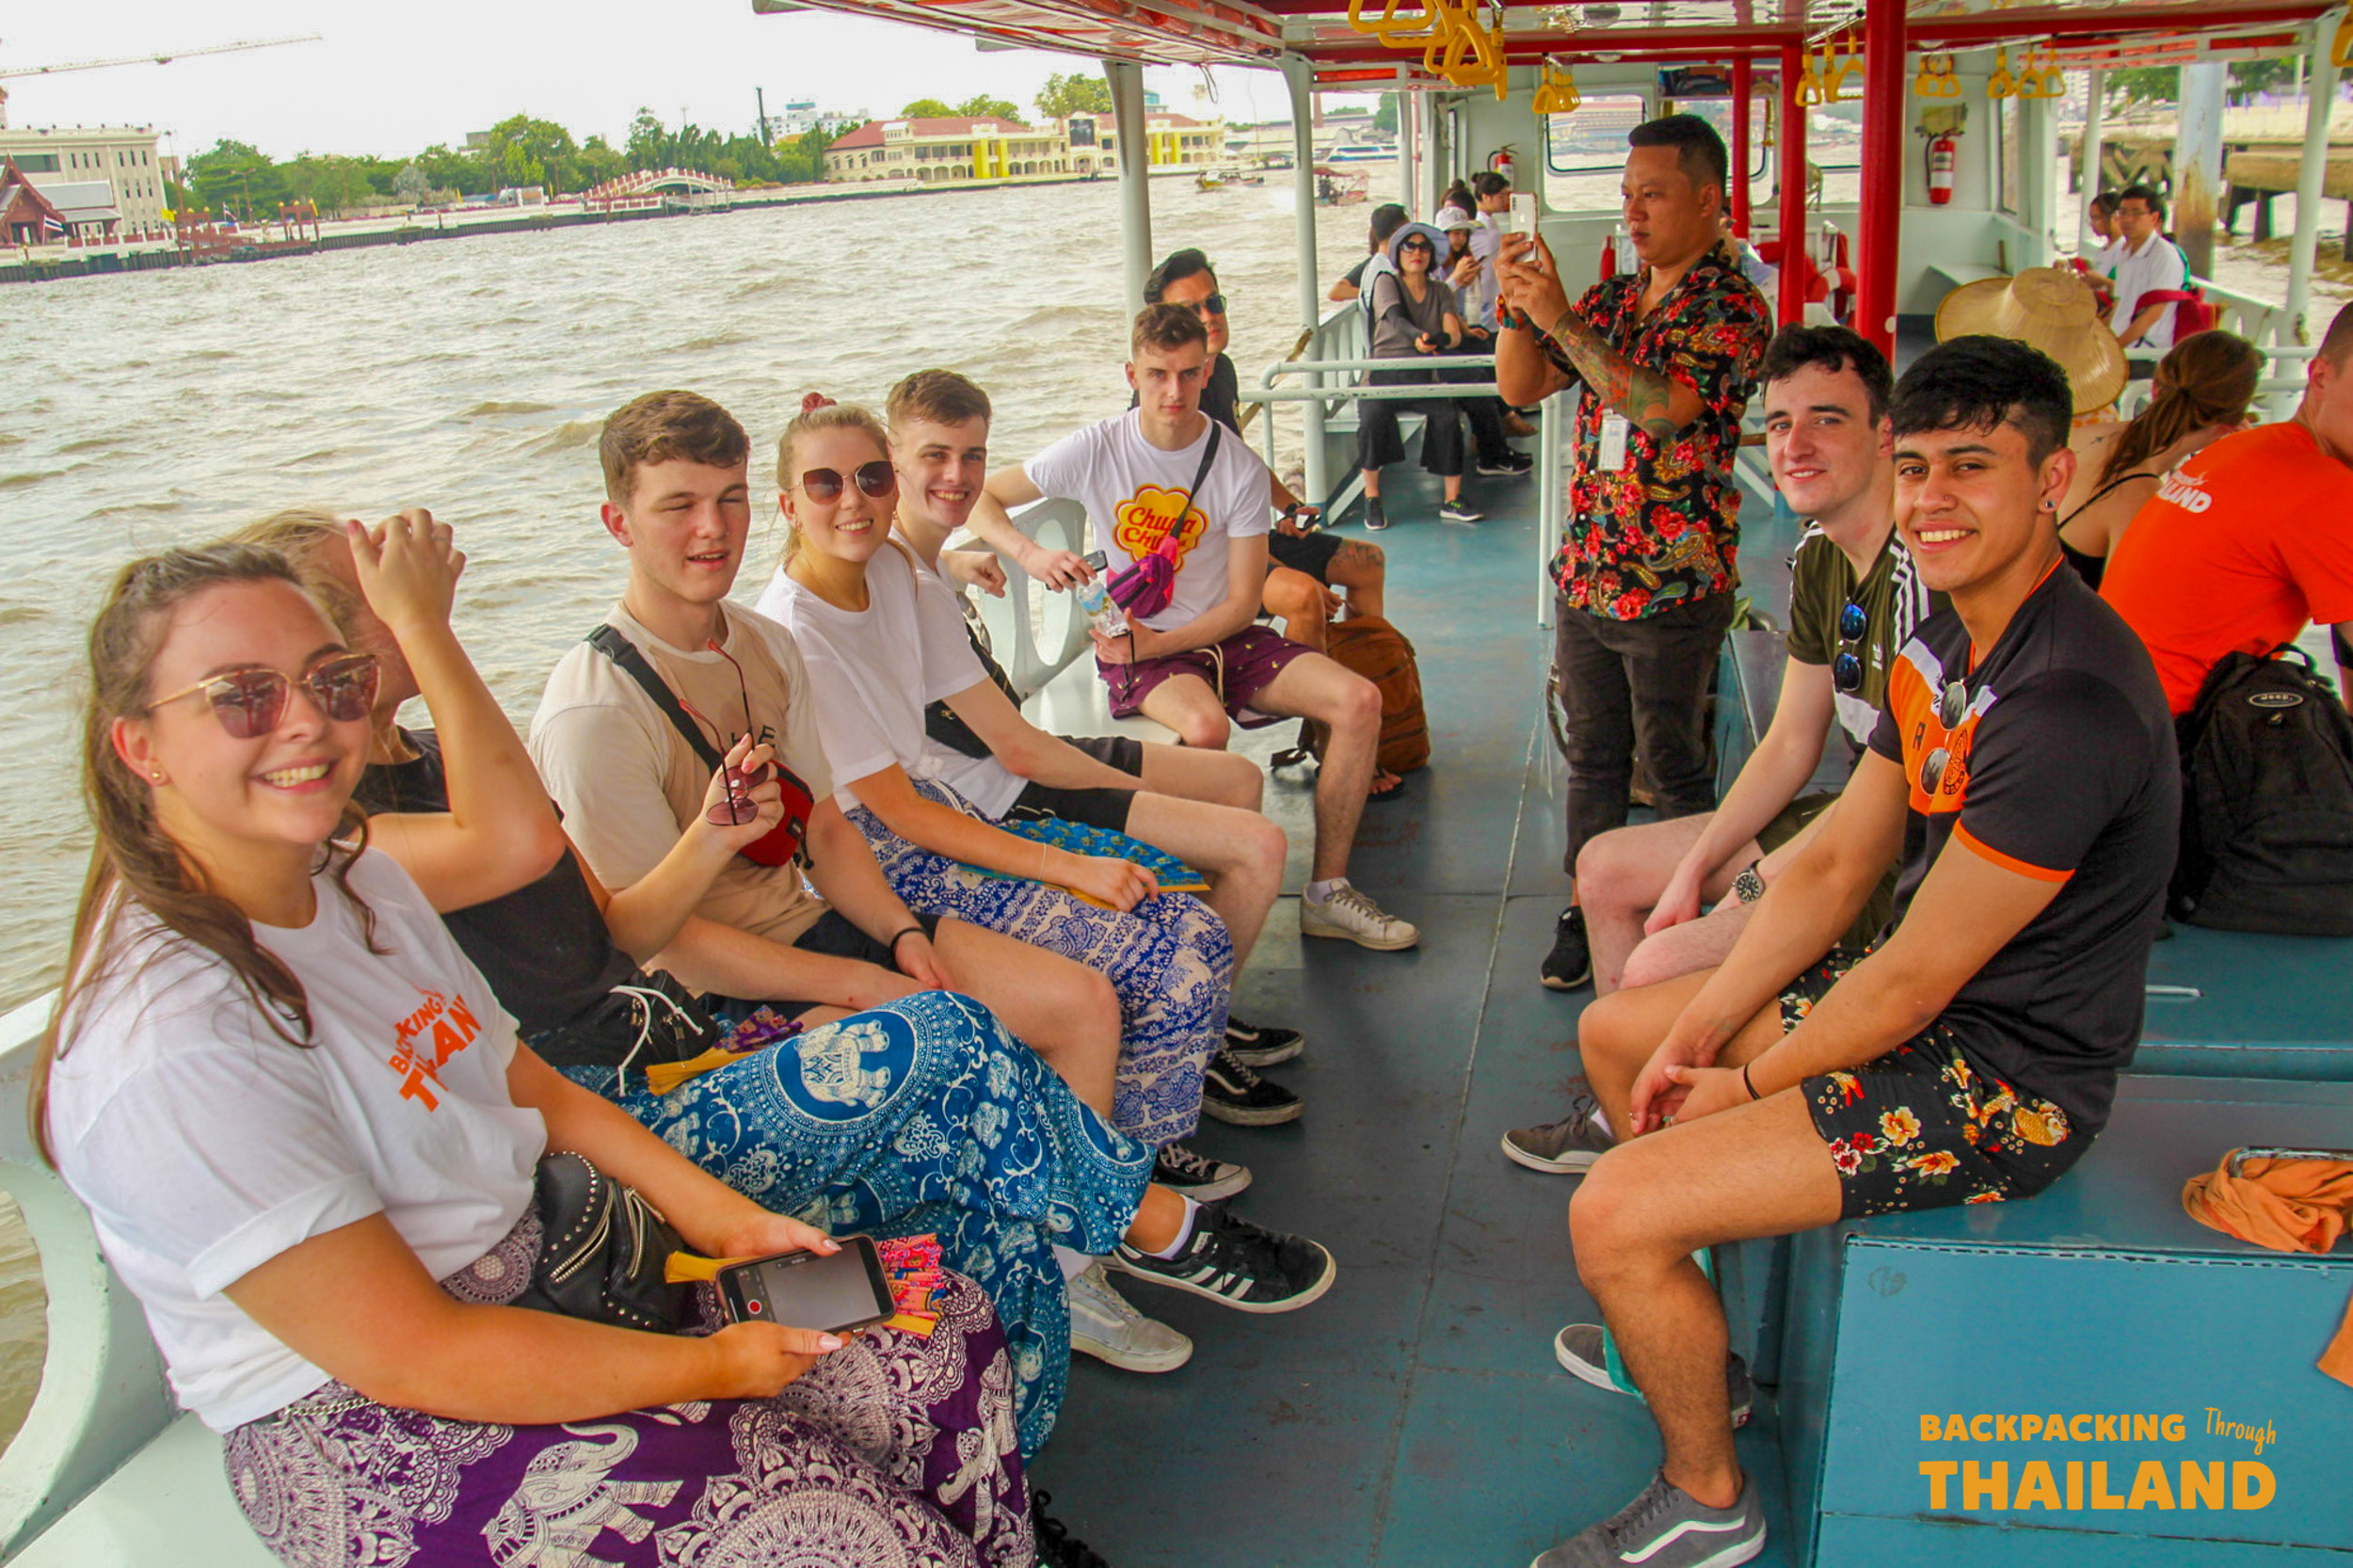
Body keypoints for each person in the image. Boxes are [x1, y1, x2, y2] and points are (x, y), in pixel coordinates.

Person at [41, 537, 1039, 1567]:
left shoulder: (358, 878)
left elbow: (534, 1089)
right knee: (829, 1523)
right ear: (140, 746)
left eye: (333, 681)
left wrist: (726, 1219)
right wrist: (717, 1368)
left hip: (556, 1258)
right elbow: (417, 1354)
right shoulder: (174, 1042)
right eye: (243, 697)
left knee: (939, 1329)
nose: (305, 721)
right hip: (376, 1412)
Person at [242, 507, 1249, 1454]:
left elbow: (615, 932)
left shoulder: (447, 758)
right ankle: (1146, 1218)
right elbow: (505, 849)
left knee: (971, 1237)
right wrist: (426, 628)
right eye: (372, 590)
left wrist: (711, 838)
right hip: (598, 1107)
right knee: (948, 1036)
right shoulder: (338, 833)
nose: (407, 592)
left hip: (676, 1045)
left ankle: (1013, 1462)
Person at [1531, 335, 2178, 1568]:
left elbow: (1911, 978)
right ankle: (1697, 1355)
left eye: (1973, 466)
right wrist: (1699, 1024)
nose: (1934, 499)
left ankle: (1708, 1499)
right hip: (1929, 1020)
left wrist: (1741, 1082)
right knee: (1621, 1030)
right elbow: (1834, 865)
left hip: (2003, 1081)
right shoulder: (1946, 641)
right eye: (1919, 467)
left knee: (1612, 1207)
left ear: (2054, 477)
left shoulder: (2067, 701)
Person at [528, 392, 1144, 1147]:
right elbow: (654, 942)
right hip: (712, 1003)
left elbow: (823, 830)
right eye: (678, 506)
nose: (712, 528)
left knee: (1083, 1006)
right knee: (960, 1056)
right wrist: (857, 981)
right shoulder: (597, 709)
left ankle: (1087, 1209)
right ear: (619, 523)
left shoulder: (763, 645)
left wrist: (898, 934)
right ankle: (1039, 1207)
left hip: (812, 923)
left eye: (729, 499)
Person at [1502, 327, 1936, 1187]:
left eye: (1827, 419)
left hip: (1905, 853)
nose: (1795, 445)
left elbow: (1891, 812)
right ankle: (1628, 1105)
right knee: (1606, 867)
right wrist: (1696, 865)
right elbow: (1791, 743)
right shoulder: (1823, 557)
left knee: (1657, 962)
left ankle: (1659, 1125)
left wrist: (1754, 884)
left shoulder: (1923, 578)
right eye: (1779, 423)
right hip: (1845, 816)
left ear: (1886, 432)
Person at [887, 368, 1321, 1085]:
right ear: (893, 458)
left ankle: (1201, 1017)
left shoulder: (916, 559)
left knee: (1238, 779)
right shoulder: (894, 577)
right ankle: (1191, 1050)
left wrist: (960, 562)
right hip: (998, 786)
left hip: (1018, 754)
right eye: (935, 456)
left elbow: (920, 567)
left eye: (972, 456)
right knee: (1259, 847)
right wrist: (1132, 791)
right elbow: (1018, 751)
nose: (958, 476)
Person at [971, 305, 1420, 952]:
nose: (1173, 391)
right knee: (1206, 728)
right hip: (1141, 648)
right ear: (1132, 374)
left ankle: (1327, 892)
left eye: (1187, 374)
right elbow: (981, 496)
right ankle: (1199, 908)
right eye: (1157, 374)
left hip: (1220, 637)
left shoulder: (1235, 465)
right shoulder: (1096, 448)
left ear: (1207, 372)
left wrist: (1163, 642)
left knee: (1359, 701)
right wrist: (1030, 553)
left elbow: (1241, 604)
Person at [1495, 112, 1771, 993]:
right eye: (1627, 194)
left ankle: (1692, 916)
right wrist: (1520, 308)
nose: (1634, 212)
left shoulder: (1731, 308)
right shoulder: (1615, 301)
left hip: (1672, 586)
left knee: (1676, 764)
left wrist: (1559, 316)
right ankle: (1588, 905)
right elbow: (1521, 385)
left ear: (1709, 201)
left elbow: (1661, 410)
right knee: (1595, 760)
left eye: (1653, 194)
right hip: (1589, 573)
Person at [1137, 248, 1393, 667]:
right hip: (1195, 564)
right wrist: (1280, 567)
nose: (1209, 317)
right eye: (1190, 309)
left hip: (1240, 541)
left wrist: (1289, 507)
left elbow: (1241, 461)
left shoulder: (1220, 371)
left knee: (1368, 564)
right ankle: (1316, 707)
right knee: (1303, 596)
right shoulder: (1165, 404)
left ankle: (1366, 683)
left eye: (1213, 302)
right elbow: (1192, 531)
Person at [2104, 303, 2353, 715]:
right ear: (2321, 376)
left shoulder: (2241, 449)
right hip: (2170, 730)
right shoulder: (2325, 487)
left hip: (2105, 701)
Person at [1357, 221, 1530, 531]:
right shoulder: (1387, 281)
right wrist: (1419, 337)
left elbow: (1453, 332)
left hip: (1423, 373)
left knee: (1448, 417)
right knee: (1372, 419)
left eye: (1424, 248)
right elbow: (1396, 318)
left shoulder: (1440, 290)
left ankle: (1452, 499)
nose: (1417, 253)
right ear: (1398, 253)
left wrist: (1440, 339)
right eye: (1410, 247)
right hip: (1384, 373)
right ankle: (1372, 497)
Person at [2056, 328, 2259, 589]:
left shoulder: (2082, 435)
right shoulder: (2141, 499)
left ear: (2154, 388)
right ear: (2227, 427)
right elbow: (2125, 604)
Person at [2107, 184, 2194, 355]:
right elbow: (2119, 303)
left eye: (2136, 213)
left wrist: (2115, 348)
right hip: (2120, 345)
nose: (2127, 219)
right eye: (2123, 212)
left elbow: (2154, 313)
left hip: (2145, 352)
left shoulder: (2164, 255)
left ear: (2154, 218)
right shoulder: (2126, 253)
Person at [1327, 200, 1410, 303]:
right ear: (1397, 232)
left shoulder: (1373, 266)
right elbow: (1336, 292)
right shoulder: (1385, 267)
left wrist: (1370, 294)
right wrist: (1373, 293)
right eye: (1408, 230)